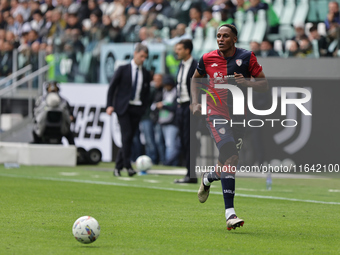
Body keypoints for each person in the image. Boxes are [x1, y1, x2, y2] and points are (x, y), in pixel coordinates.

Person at [191, 24, 268, 230]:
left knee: (226, 164)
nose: (221, 39)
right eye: (218, 36)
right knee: (232, 158)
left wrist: (248, 83)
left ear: (234, 39)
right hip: (216, 114)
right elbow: (195, 78)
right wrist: (195, 102)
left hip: (239, 117)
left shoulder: (247, 57)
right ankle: (230, 214)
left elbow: (264, 85)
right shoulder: (207, 58)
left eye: (225, 36)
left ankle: (208, 178)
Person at [106, 43, 150, 177]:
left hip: (137, 108)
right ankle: (127, 166)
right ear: (135, 53)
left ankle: (117, 168)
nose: (143, 59)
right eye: (141, 56)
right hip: (123, 107)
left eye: (145, 57)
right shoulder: (123, 69)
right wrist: (109, 105)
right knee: (127, 135)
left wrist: (144, 108)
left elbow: (147, 93)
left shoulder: (146, 73)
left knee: (129, 137)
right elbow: (112, 87)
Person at [173, 39, 198, 184]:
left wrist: (195, 103)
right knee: (183, 140)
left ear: (187, 50)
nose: (177, 52)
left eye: (180, 49)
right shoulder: (181, 65)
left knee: (190, 141)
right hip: (181, 106)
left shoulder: (196, 66)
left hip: (190, 106)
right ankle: (189, 173)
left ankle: (191, 175)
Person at [32, 81, 75, 145]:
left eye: (54, 91)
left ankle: (74, 152)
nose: (53, 92)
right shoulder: (41, 101)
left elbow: (71, 115)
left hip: (61, 128)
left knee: (70, 136)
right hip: (44, 128)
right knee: (35, 132)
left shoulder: (64, 102)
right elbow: (35, 113)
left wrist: (71, 117)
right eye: (51, 91)